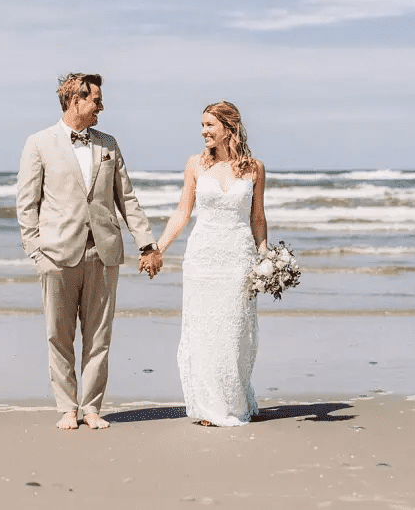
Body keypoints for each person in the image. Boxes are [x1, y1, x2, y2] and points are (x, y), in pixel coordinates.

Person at [16, 73, 163, 430]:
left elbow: (126, 198)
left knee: (99, 336)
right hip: (56, 254)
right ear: (74, 100)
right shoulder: (39, 143)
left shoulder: (108, 144)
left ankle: (92, 406)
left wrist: (147, 243)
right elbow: (26, 203)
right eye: (96, 100)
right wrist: (37, 252)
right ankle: (68, 407)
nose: (101, 106)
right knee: (59, 334)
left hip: (103, 253)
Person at [156, 101, 267, 427]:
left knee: (233, 331)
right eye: (202, 125)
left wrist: (265, 258)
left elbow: (257, 218)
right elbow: (182, 213)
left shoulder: (254, 168)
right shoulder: (195, 164)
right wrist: (158, 247)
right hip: (202, 258)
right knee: (204, 332)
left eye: (209, 125)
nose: (204, 131)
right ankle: (208, 407)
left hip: (238, 257)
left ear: (228, 127)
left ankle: (232, 401)